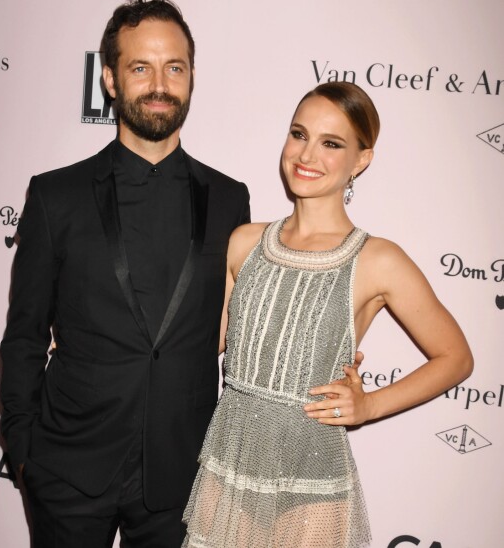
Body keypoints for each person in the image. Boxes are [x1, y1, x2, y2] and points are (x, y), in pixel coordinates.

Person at [0, 0, 250, 548]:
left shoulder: (231, 200)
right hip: (68, 470)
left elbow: (236, 330)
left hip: (179, 476)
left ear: (191, 77)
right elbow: (23, 337)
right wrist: (25, 452)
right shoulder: (55, 196)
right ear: (110, 79)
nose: (159, 84)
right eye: (141, 67)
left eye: (174, 67)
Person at [182, 81, 473, 547]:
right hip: (228, 467)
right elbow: (204, 342)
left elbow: (456, 358)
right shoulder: (245, 243)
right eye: (299, 134)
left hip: (311, 480)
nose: (307, 154)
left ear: (361, 160)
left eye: (331, 143)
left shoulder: (378, 260)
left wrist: (370, 405)